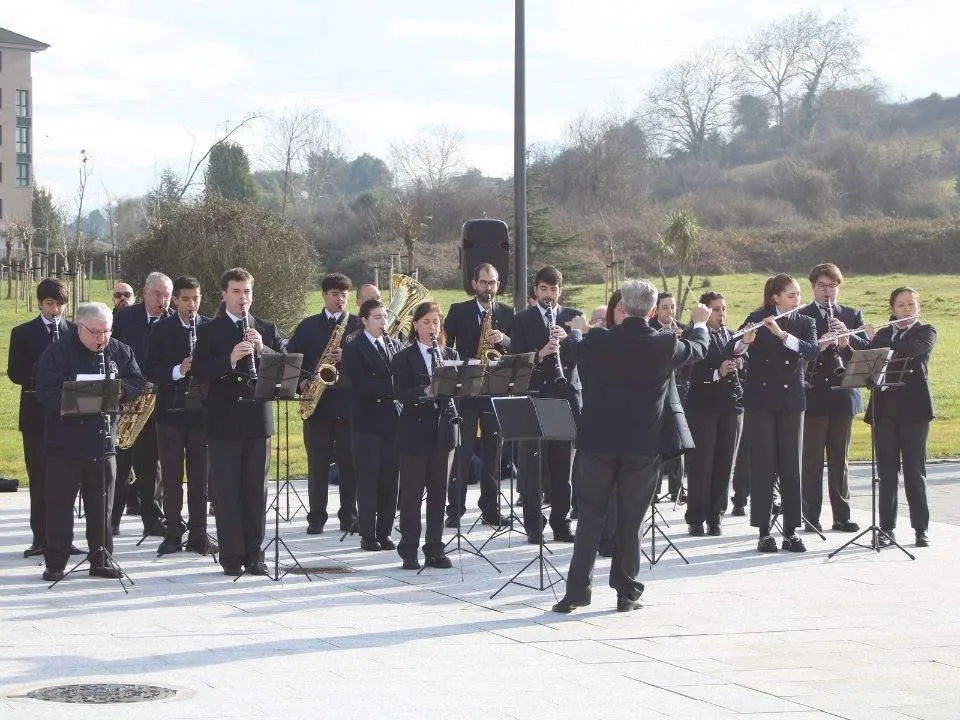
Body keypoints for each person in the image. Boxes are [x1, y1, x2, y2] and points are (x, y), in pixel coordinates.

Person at [553, 280, 709, 613]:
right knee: (631, 518)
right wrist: (698, 323)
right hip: (642, 444)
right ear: (653, 311)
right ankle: (626, 590)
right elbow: (698, 349)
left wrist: (579, 329)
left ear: (621, 307)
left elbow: (572, 350)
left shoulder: (598, 340)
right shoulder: (664, 343)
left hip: (598, 442)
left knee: (590, 517)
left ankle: (577, 591)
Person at [35, 302, 143, 581]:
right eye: (95, 332)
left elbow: (135, 381)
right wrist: (80, 395)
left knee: (102, 504)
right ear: (79, 327)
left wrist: (119, 393)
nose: (102, 338)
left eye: (106, 331)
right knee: (60, 505)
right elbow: (45, 391)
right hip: (65, 444)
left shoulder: (119, 350)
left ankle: (101, 558)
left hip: (103, 442)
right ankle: (56, 562)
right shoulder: (58, 352)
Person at [192, 268, 285, 576]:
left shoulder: (266, 328)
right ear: (224, 294)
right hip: (224, 421)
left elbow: (284, 368)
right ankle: (231, 556)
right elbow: (200, 371)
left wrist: (263, 349)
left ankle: (254, 554)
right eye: (236, 292)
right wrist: (230, 360)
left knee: (255, 492)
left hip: (257, 421)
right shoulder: (209, 330)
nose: (242, 298)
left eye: (246, 292)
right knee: (227, 492)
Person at [729, 274, 818, 553]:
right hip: (761, 401)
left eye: (799, 294)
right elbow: (734, 349)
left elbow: (812, 351)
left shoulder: (805, 322)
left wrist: (782, 335)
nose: (797, 299)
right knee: (764, 464)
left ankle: (791, 531)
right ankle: (764, 531)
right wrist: (746, 341)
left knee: (791, 465)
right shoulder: (757, 316)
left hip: (791, 399)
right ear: (776, 297)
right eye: (791, 295)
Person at [508, 266, 583, 544]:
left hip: (564, 398)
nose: (548, 295)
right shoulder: (521, 320)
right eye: (543, 289)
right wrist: (539, 355)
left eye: (553, 290)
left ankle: (562, 524)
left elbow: (585, 356)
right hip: (536, 397)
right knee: (533, 466)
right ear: (536, 290)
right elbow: (516, 361)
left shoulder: (572, 318)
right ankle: (533, 525)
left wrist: (570, 340)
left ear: (559, 291)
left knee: (563, 467)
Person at [144, 275, 217, 556]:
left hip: (201, 413)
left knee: (200, 477)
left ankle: (199, 534)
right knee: (173, 476)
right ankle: (173, 531)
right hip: (170, 414)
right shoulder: (162, 329)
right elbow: (150, 368)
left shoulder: (209, 327)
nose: (191, 304)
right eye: (185, 299)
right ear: (176, 300)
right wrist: (178, 370)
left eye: (196, 299)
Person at [287, 272, 360, 534]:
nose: (340, 300)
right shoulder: (307, 326)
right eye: (334, 295)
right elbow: (293, 360)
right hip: (316, 406)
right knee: (317, 464)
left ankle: (349, 516)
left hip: (347, 406)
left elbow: (367, 365)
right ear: (324, 296)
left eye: (344, 295)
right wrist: (301, 384)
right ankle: (316, 517)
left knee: (349, 464)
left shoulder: (357, 327)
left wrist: (348, 356)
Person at [442, 262, 514, 528]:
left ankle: (491, 510)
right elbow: (444, 345)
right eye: (484, 283)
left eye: (493, 283)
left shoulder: (507, 312)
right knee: (463, 451)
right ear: (474, 284)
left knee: (493, 455)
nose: (488, 288)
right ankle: (455, 510)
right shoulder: (459, 311)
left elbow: (516, 345)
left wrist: (504, 340)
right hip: (467, 390)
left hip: (495, 392)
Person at [7, 278, 74, 558]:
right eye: (50, 304)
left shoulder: (73, 331)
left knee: (67, 479)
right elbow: (14, 372)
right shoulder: (22, 333)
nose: (55, 310)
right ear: (40, 304)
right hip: (36, 416)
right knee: (39, 477)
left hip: (68, 416)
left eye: (59, 305)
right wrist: (43, 374)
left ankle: (64, 537)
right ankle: (41, 537)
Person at [866, 287, 936, 548]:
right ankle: (886, 529)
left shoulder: (926, 331)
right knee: (886, 474)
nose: (907, 310)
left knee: (914, 472)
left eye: (911, 305)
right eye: (901, 306)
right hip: (884, 412)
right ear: (892, 309)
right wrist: (862, 343)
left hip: (915, 412)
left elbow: (912, 350)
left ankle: (921, 529)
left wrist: (880, 340)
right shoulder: (884, 334)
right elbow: (868, 365)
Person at [798, 263, 865, 534]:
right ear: (813, 286)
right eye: (822, 286)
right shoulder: (802, 316)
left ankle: (842, 516)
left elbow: (864, 352)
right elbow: (798, 356)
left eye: (833, 286)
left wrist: (846, 342)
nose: (828, 291)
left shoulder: (851, 314)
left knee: (840, 459)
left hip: (843, 395)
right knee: (812, 461)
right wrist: (821, 344)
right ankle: (811, 516)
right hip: (814, 395)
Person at [391, 302, 458, 571]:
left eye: (436, 322)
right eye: (427, 322)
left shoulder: (450, 354)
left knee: (439, 492)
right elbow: (400, 393)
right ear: (416, 325)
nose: (432, 327)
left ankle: (435, 548)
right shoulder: (403, 358)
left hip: (443, 431)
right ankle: (409, 548)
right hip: (415, 431)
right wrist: (426, 389)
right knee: (412, 492)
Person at [111, 272, 174, 537]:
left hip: (158, 402)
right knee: (120, 464)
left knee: (150, 466)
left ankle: (151, 519)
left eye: (166, 295)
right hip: (128, 400)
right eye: (157, 294)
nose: (162, 300)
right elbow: (111, 351)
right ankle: (111, 521)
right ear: (145, 293)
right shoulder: (125, 318)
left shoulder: (173, 320)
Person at [341, 299, 402, 550]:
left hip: (392, 420)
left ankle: (384, 532)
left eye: (385, 317)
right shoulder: (354, 348)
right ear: (364, 320)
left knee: (390, 479)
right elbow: (359, 385)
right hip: (367, 422)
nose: (383, 322)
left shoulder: (395, 344)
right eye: (377, 318)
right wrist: (393, 385)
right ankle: (367, 534)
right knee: (368, 479)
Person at [683, 291, 743, 536]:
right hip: (703, 408)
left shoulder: (731, 336)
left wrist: (740, 364)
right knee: (701, 464)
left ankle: (716, 515)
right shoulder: (694, 335)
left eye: (724, 309)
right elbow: (688, 372)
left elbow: (745, 365)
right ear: (705, 312)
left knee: (724, 463)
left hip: (730, 406)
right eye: (716, 310)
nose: (722, 314)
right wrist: (716, 372)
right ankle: (696, 517)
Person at [649, 292, 686, 502]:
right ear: (656, 309)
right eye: (665, 307)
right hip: (656, 391)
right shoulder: (651, 329)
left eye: (672, 307)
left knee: (677, 437)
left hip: (677, 388)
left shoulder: (681, 328)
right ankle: (652, 490)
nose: (670, 312)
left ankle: (677, 489)